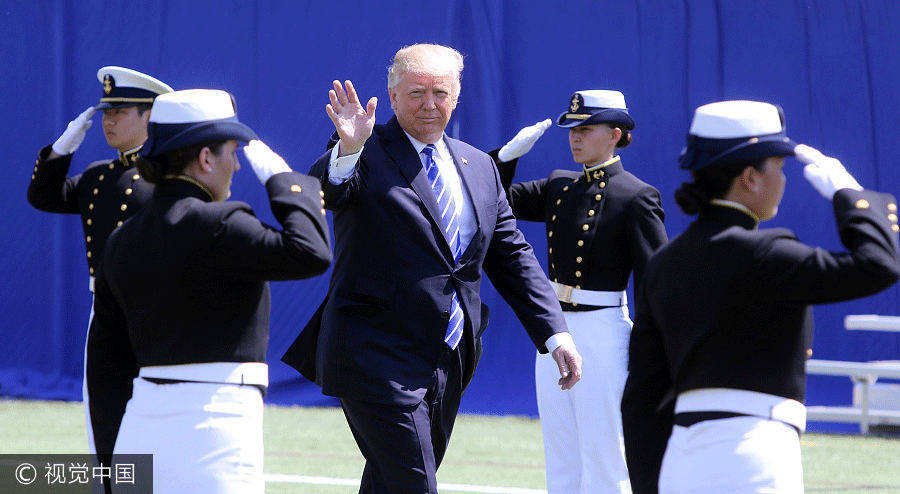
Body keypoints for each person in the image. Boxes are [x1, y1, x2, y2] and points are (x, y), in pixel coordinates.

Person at [281, 43, 582, 494]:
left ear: (457, 97)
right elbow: (329, 190)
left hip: (449, 357)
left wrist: (555, 334)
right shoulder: (364, 149)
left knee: (389, 483)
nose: (429, 104)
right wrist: (347, 149)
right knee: (415, 484)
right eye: (416, 92)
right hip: (374, 355)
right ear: (393, 96)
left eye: (440, 92)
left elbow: (512, 255)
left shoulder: (480, 166)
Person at [621, 100, 900, 493]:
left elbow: (642, 397)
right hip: (752, 451)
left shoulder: (665, 263)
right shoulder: (767, 253)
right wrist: (850, 195)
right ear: (750, 177)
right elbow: (879, 265)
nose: (783, 181)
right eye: (779, 168)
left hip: (680, 458)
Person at [86, 89, 333, 493]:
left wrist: (111, 469)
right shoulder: (222, 223)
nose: (236, 165)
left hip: (139, 424)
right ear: (205, 158)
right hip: (215, 425)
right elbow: (311, 253)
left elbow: (105, 368)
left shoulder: (121, 240)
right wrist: (283, 180)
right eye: (232, 152)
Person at [491, 90, 667, 494]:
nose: (575, 137)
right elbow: (492, 202)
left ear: (616, 134)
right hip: (555, 329)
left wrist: (650, 350)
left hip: (605, 332)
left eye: (586, 129)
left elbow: (654, 280)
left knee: (606, 455)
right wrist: (504, 158)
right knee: (562, 454)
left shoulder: (636, 195)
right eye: (572, 129)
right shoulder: (559, 186)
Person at [27, 66, 173, 457]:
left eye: (119, 112)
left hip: (159, 310)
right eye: (106, 112)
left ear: (149, 116)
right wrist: (62, 149)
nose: (108, 121)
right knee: (104, 418)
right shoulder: (97, 178)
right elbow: (43, 196)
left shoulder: (171, 178)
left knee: (158, 420)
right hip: (106, 312)